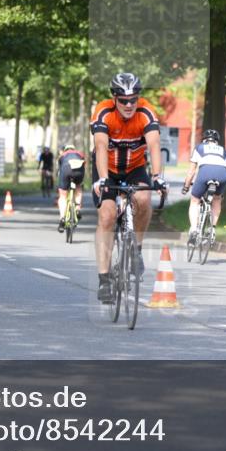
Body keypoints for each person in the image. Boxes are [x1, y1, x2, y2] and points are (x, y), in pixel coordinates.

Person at [90, 72, 166, 303]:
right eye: (123, 100)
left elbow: (154, 144)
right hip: (107, 168)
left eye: (133, 99)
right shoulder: (104, 111)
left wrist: (157, 176)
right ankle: (104, 279)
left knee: (143, 199)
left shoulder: (145, 112)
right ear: (114, 98)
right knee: (107, 216)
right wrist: (103, 180)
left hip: (134, 167)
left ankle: (136, 250)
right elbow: (101, 146)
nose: (129, 104)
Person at [182, 129, 226, 243]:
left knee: (195, 201)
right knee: (217, 200)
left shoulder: (199, 148)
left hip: (205, 173)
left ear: (204, 139)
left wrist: (186, 186)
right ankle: (212, 229)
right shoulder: (223, 150)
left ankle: (194, 229)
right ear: (217, 141)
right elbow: (224, 166)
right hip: (222, 175)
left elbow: (191, 171)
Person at [56, 144, 86, 231]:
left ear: (65, 150)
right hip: (79, 172)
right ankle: (77, 209)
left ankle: (62, 219)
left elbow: (60, 169)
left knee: (63, 195)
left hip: (66, 170)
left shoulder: (63, 155)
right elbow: (84, 166)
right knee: (78, 189)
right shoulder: (80, 153)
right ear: (74, 149)